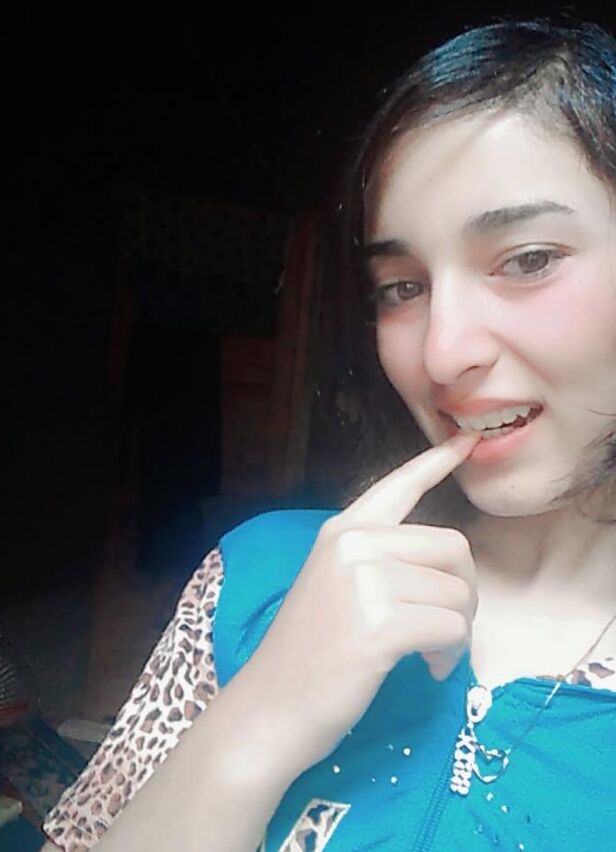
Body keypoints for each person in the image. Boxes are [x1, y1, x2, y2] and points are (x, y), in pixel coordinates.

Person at [41, 17, 616, 852]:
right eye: (401, 286)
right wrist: (258, 720)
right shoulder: (257, 577)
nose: (441, 352)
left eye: (527, 259)